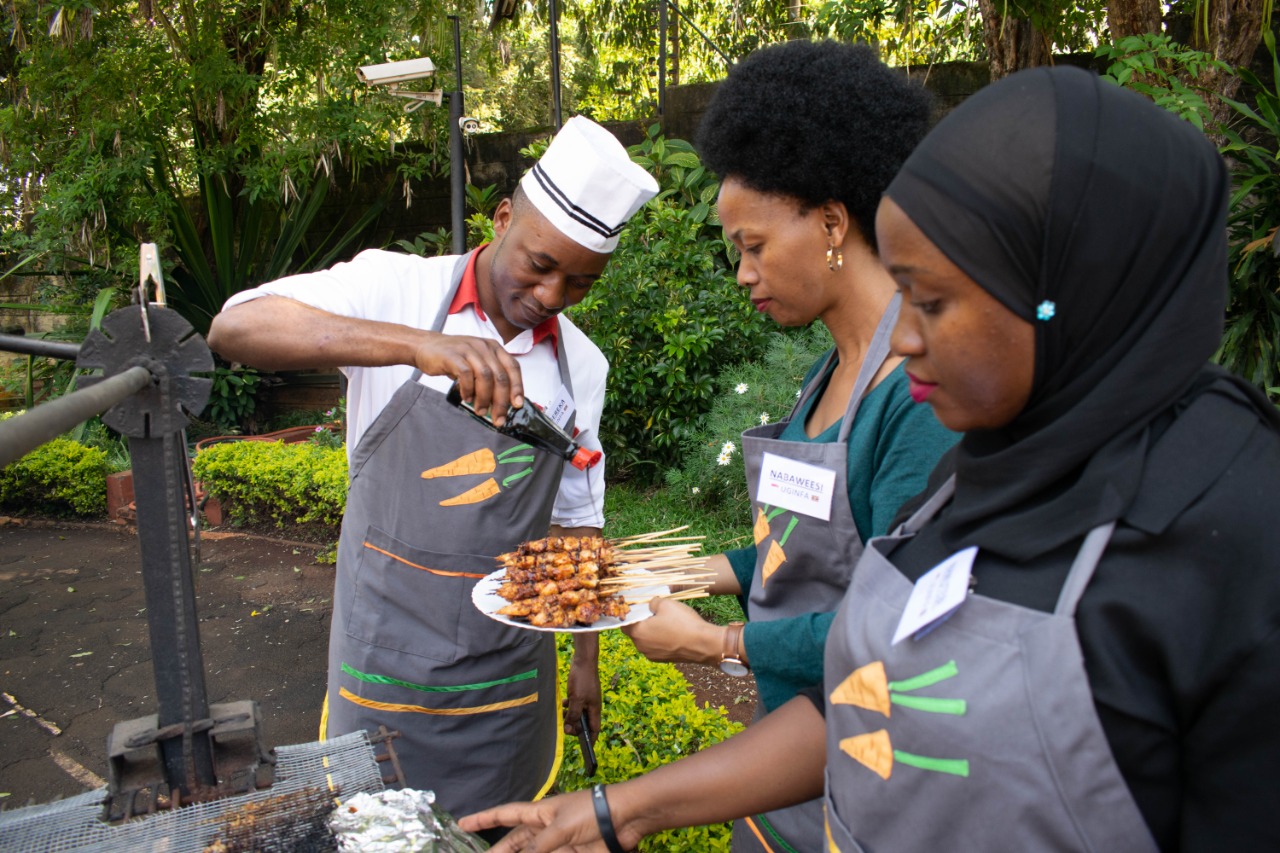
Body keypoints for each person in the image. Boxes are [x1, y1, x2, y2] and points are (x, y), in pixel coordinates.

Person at [459, 66, 1280, 851]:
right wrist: (617, 812)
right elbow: (871, 676)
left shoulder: (1233, 538)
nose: (908, 336)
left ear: (1065, 285)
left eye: (934, 299)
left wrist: (719, 646)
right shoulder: (985, 473)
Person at [206, 116, 658, 826]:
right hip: (384, 657)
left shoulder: (583, 366)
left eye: (579, 282)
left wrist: (586, 662)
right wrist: (416, 346)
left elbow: (577, 521)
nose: (551, 295)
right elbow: (235, 327)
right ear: (503, 219)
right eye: (539, 265)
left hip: (505, 678)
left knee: (496, 833)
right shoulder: (396, 288)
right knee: (375, 831)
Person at [621, 41, 955, 852]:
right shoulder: (824, 375)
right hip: (781, 768)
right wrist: (697, 572)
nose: (742, 272)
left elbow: (899, 626)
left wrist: (715, 643)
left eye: (754, 245)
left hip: (866, 777)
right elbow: (809, 544)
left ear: (833, 222)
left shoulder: (917, 402)